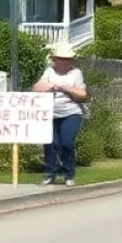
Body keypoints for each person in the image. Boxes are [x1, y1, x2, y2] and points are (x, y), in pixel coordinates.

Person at [34, 44, 89, 186]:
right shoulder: (49, 72)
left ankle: (68, 174)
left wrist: (67, 88)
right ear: (56, 59)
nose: (65, 61)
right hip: (51, 113)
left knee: (66, 142)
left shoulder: (76, 73)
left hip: (71, 113)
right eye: (62, 58)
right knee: (50, 143)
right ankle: (49, 174)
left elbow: (83, 94)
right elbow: (37, 88)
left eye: (68, 59)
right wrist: (50, 87)